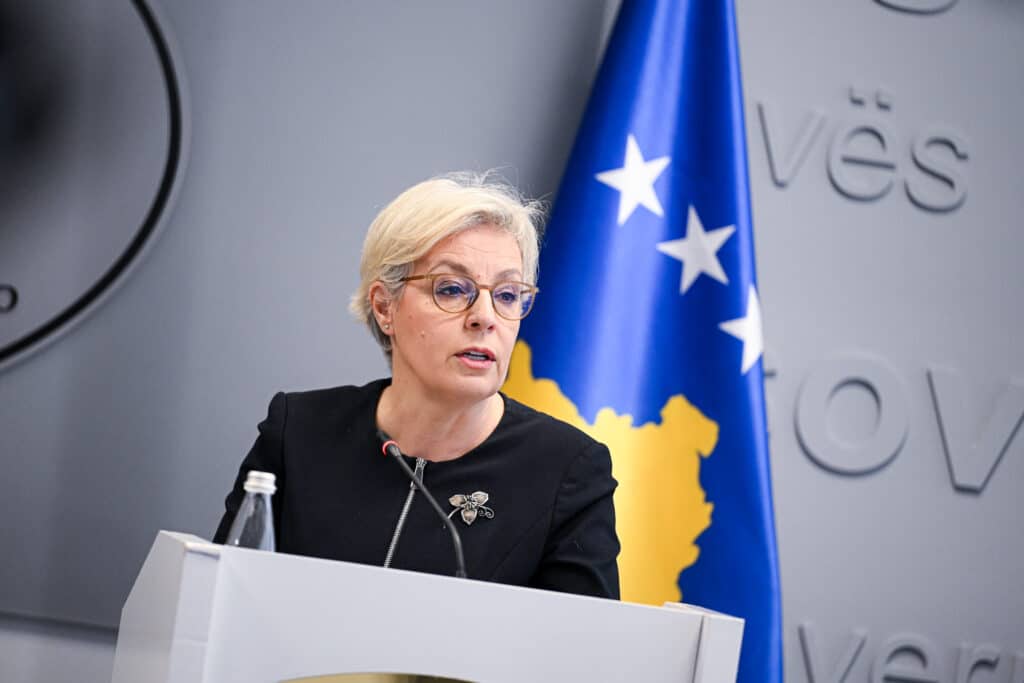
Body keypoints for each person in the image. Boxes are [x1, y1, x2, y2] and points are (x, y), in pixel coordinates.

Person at [214, 172, 620, 599]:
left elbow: (580, 640)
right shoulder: (298, 434)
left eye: (506, 295)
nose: (485, 317)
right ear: (384, 307)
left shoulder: (568, 471)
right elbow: (218, 604)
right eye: (452, 289)